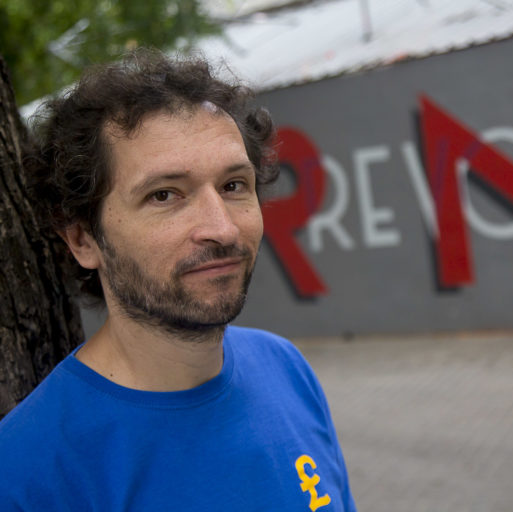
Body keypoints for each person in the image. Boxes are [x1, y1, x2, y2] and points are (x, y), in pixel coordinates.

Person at [0, 50, 356, 511]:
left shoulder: (286, 368)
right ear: (83, 239)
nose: (222, 229)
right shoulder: (27, 471)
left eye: (233, 186)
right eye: (164, 195)